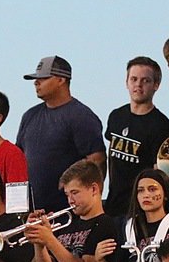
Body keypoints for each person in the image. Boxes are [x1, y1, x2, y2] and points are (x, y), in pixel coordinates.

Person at [16, 55, 107, 213]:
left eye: (43, 78)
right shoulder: (29, 116)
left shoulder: (81, 116)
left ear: (61, 80)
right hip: (33, 212)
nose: (36, 82)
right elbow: (18, 159)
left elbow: (97, 160)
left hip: (68, 211)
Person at [103, 57, 169, 218]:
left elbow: (161, 174)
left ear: (156, 85)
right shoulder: (116, 116)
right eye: (134, 79)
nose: (138, 84)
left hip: (140, 209)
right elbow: (110, 156)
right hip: (113, 204)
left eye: (145, 80)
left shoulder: (161, 125)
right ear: (127, 82)